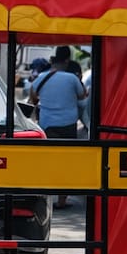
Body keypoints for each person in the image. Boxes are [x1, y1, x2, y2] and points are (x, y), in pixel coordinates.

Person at [30, 45, 87, 208]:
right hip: (68, 125)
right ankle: (62, 200)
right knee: (67, 163)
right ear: (67, 60)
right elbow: (82, 95)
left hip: (47, 125)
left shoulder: (41, 77)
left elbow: (33, 96)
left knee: (48, 162)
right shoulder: (71, 79)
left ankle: (44, 197)